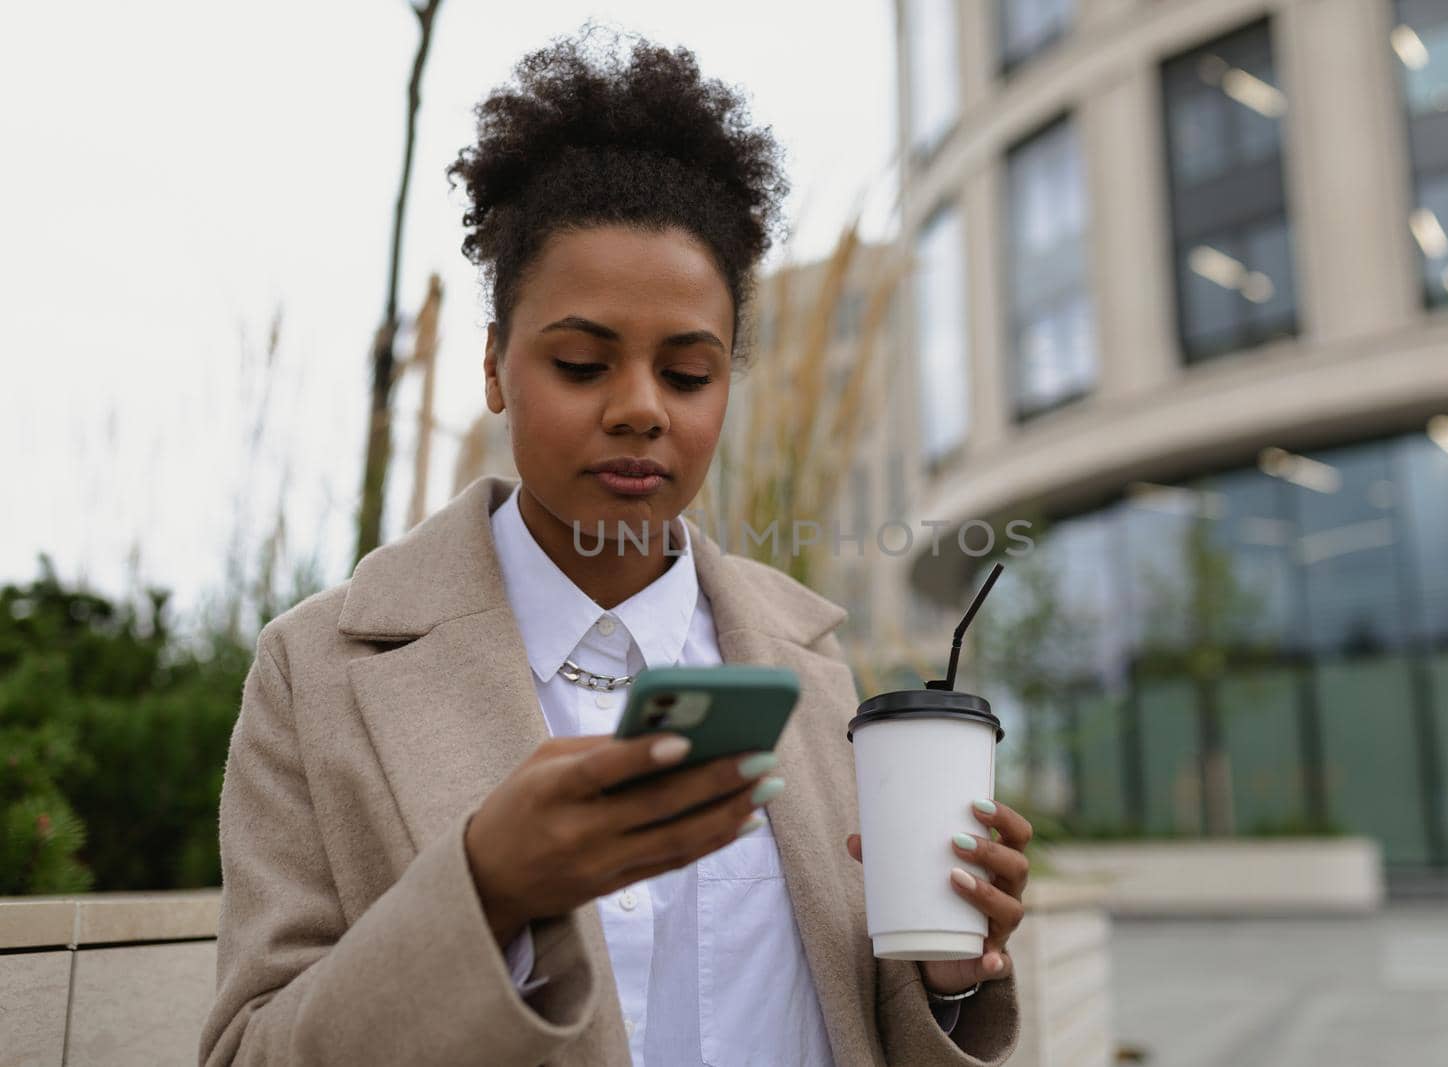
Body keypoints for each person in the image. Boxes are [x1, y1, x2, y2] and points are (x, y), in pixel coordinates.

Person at [200, 30, 1029, 1067]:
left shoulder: (809, 662)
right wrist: (485, 887)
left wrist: (945, 971)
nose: (640, 410)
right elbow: (246, 1050)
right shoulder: (317, 670)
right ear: (496, 365)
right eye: (584, 363)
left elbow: (850, 1016)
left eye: (688, 375)